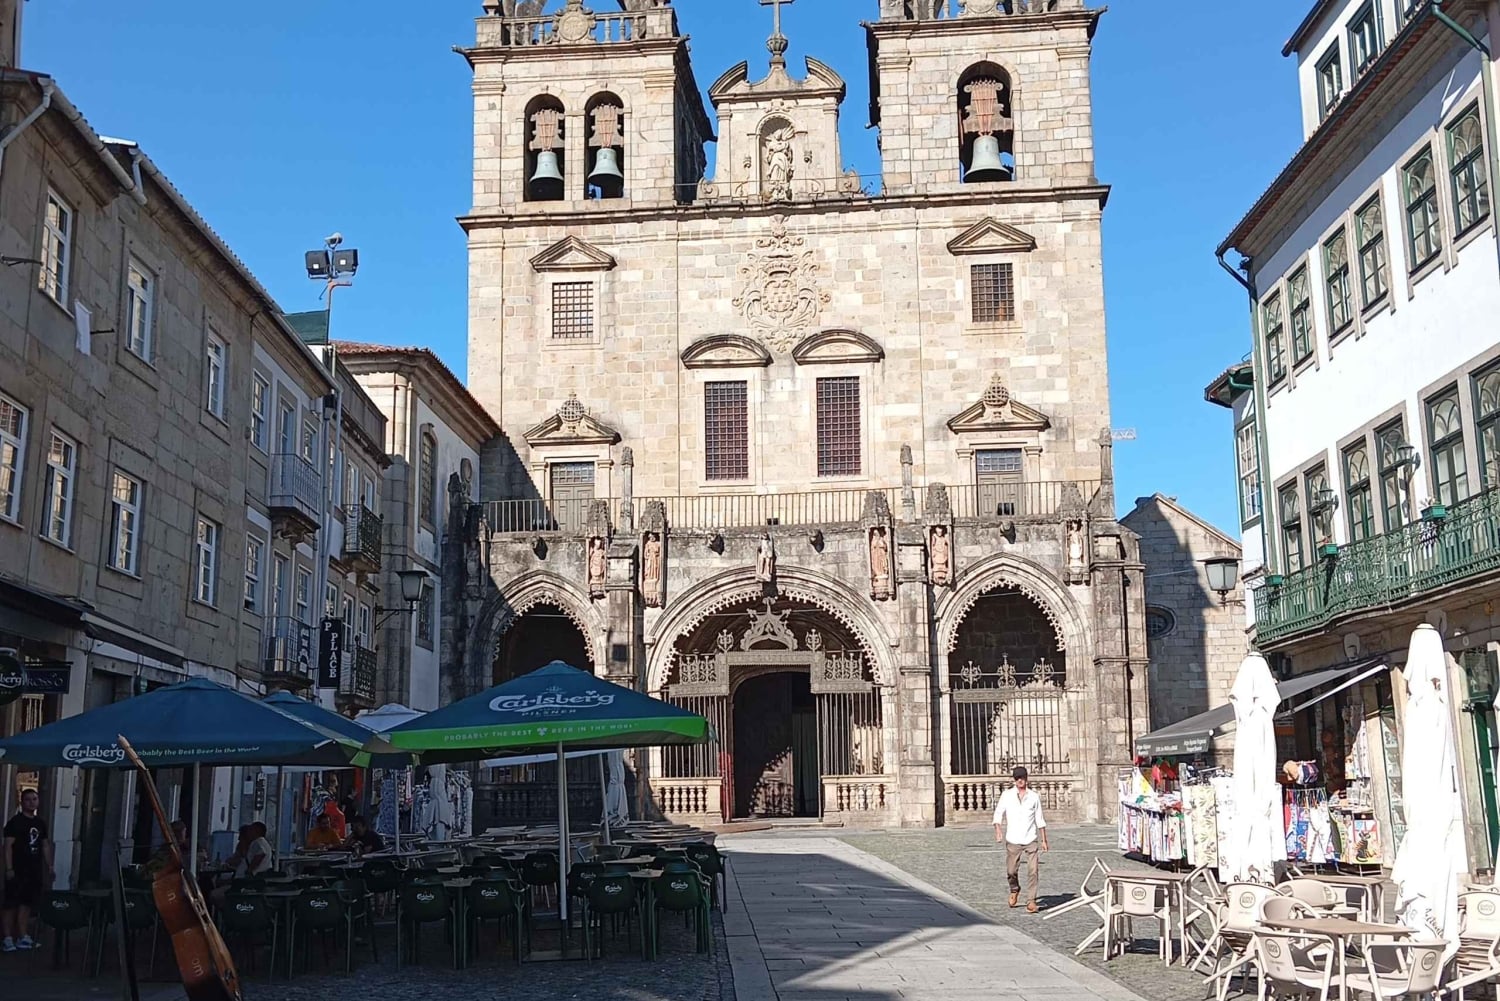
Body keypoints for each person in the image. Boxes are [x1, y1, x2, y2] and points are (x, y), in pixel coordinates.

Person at [2, 788, 52, 952]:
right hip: (17, 868)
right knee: (11, 903)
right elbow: (8, 846)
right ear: (22, 802)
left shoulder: (40, 823)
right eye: (28, 799)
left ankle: (23, 935)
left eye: (35, 799)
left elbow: (44, 845)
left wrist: (49, 865)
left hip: (34, 869)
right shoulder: (15, 822)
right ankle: (7, 937)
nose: (32, 802)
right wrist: (9, 868)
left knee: (26, 903)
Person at [992, 765, 1048, 913]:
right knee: (1011, 871)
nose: (1019, 781)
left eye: (1022, 778)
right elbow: (998, 813)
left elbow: (1040, 819)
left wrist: (1044, 840)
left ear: (1026, 778)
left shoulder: (1034, 797)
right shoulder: (1007, 795)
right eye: (1017, 778)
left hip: (1030, 839)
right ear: (1014, 780)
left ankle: (1031, 901)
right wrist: (998, 830)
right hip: (1013, 839)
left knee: (1033, 870)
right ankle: (1014, 889)